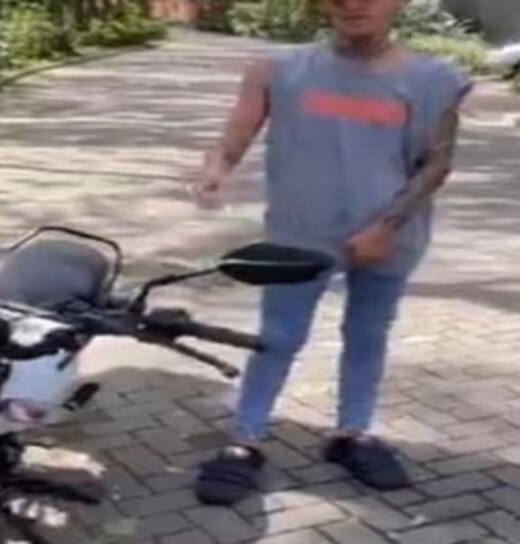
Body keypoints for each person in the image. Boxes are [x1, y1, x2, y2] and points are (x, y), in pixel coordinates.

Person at [189, 0, 472, 506]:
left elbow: (436, 163)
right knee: (278, 338)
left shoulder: (434, 79)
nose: (353, 4)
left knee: (367, 335)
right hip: (299, 236)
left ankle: (351, 434)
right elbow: (235, 135)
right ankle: (244, 439)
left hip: (389, 238)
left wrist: (386, 227)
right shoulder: (277, 70)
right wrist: (217, 167)